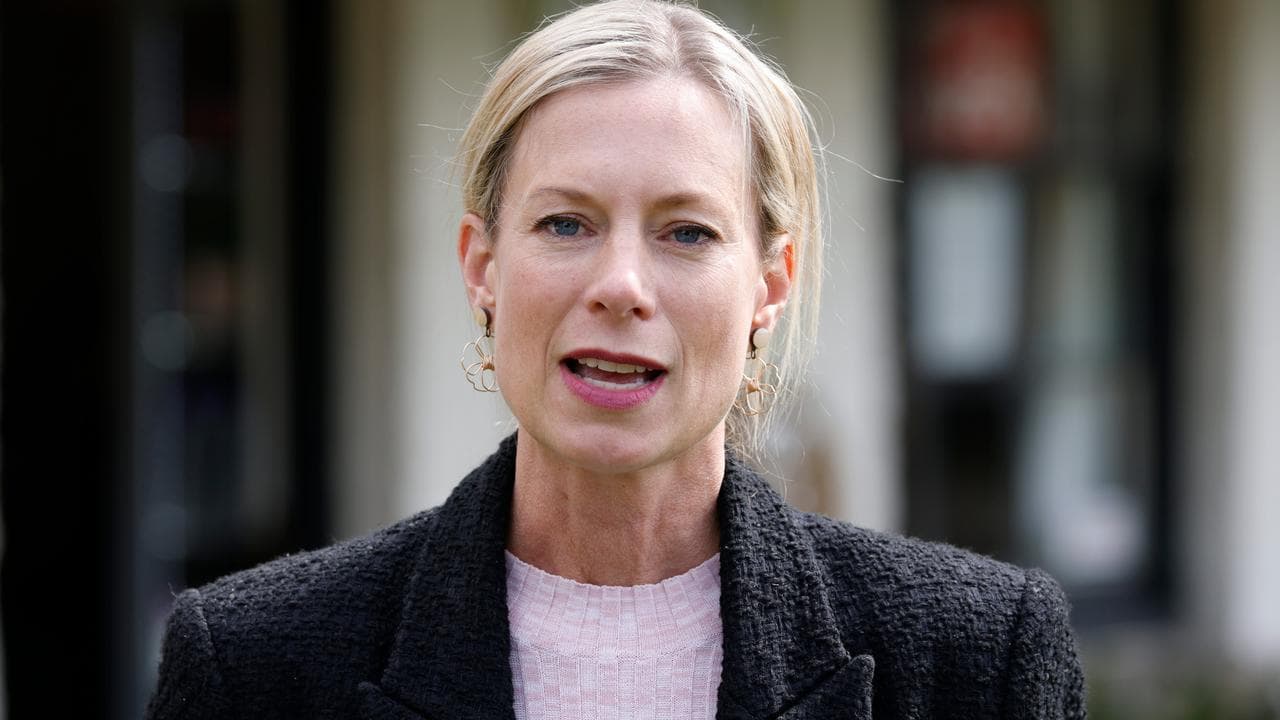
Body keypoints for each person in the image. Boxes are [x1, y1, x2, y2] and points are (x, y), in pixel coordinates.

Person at [146, 1, 1086, 718]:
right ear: (482, 266)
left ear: (770, 283)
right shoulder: (253, 662)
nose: (621, 285)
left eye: (686, 231)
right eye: (567, 223)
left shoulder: (977, 657)